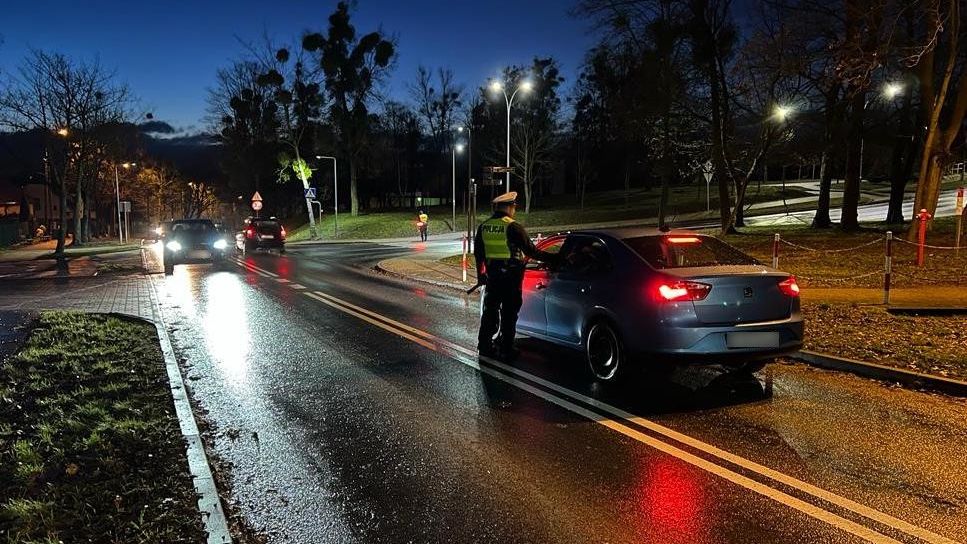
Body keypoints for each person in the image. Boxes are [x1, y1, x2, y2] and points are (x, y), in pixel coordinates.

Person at [474, 191, 557, 360]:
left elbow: (478, 254)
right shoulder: (512, 227)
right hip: (511, 280)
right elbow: (531, 251)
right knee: (509, 314)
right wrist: (556, 258)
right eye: (513, 207)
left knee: (490, 312)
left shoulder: (484, 227)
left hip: (493, 278)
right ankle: (506, 348)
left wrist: (480, 275)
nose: (514, 210)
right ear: (509, 207)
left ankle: (484, 346)